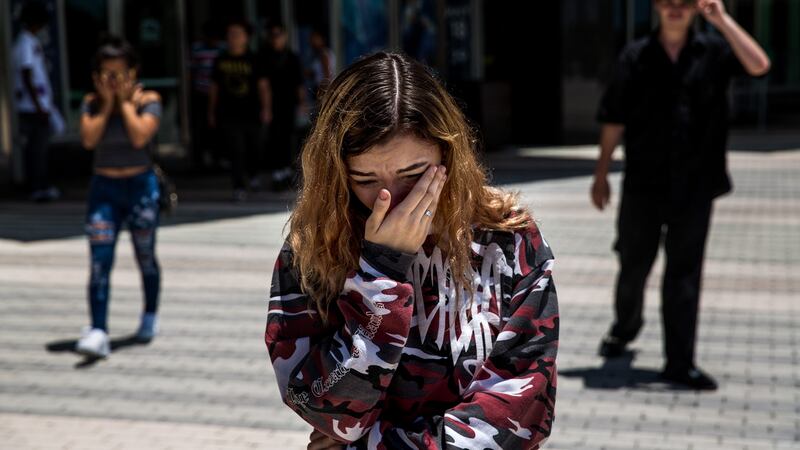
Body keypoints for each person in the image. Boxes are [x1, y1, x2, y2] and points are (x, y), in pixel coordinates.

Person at [265, 52, 559, 449]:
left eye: (414, 175)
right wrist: (380, 271)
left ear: (446, 152)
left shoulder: (508, 236)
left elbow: (523, 409)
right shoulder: (313, 248)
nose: (392, 198)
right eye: (365, 179)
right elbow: (323, 407)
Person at [592, 0, 770, 390]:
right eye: (668, 1)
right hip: (643, 184)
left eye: (685, 2)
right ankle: (626, 326)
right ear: (655, 6)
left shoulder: (715, 50)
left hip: (696, 185)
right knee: (633, 264)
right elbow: (614, 116)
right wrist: (601, 173)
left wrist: (721, 19)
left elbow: (759, 65)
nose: (675, 8)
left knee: (684, 274)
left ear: (697, 7)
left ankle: (679, 362)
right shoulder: (635, 55)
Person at [75, 38, 163, 358]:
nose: (113, 80)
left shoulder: (148, 99)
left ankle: (150, 315)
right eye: (106, 74)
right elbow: (88, 139)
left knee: (145, 256)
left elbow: (140, 135)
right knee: (100, 261)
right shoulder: (91, 103)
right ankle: (98, 329)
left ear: (133, 72)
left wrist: (125, 103)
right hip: (104, 191)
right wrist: (109, 103)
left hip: (140, 188)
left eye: (120, 73)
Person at [208, 19, 272, 201]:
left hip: (252, 111)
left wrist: (266, 109)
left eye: (237, 34)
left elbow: (264, 86)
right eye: (230, 35)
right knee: (235, 149)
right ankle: (238, 185)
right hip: (228, 112)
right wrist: (211, 111)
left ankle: (253, 176)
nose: (233, 38)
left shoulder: (254, 59)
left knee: (255, 147)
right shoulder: (221, 59)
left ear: (246, 38)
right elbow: (214, 87)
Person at [12, 1, 60, 202]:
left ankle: (39, 184)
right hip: (32, 107)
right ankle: (37, 186)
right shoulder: (25, 43)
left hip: (35, 104)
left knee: (38, 147)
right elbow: (26, 73)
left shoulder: (29, 41)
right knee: (37, 148)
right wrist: (39, 105)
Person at [261, 23, 306, 190]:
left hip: (289, 104)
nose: (275, 39)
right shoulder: (265, 56)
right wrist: (265, 107)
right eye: (272, 35)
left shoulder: (292, 57)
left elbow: (299, 83)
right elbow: (263, 84)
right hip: (272, 105)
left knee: (289, 138)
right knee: (274, 138)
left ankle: (287, 171)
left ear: (285, 36)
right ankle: (277, 172)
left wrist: (302, 103)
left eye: (278, 35)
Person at [189, 21, 224, 171]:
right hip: (201, 93)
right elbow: (190, 72)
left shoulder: (223, 49)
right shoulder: (196, 49)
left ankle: (218, 157)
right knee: (200, 128)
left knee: (218, 127)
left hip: (219, 96)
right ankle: (199, 160)